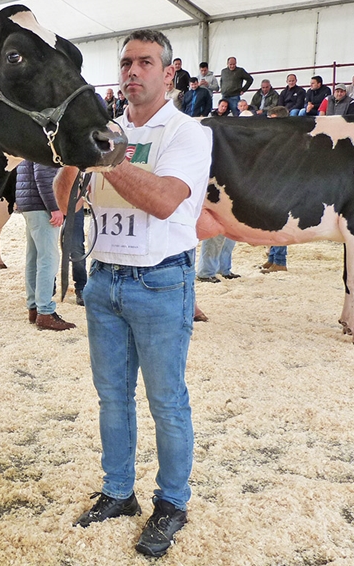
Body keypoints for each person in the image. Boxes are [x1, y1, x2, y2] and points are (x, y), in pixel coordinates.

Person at [55, 28, 210, 559]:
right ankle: (119, 492)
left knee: (166, 399)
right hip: (104, 277)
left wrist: (110, 157)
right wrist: (79, 154)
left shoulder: (186, 133)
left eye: (145, 62)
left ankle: (172, 502)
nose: (132, 72)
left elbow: (166, 201)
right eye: (125, 63)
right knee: (112, 397)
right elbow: (65, 193)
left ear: (169, 73)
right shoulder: (108, 128)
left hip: (161, 278)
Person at [15, 159, 75, 331]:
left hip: (29, 202)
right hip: (42, 206)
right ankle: (45, 312)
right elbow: (43, 176)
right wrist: (55, 207)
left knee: (34, 258)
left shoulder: (29, 138)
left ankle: (34, 307)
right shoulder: (46, 139)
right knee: (48, 258)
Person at [262, 106, 290, 272]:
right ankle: (272, 258)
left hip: (283, 182)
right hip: (273, 181)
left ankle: (280, 261)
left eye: (272, 118)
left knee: (279, 221)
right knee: (271, 221)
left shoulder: (286, 137)